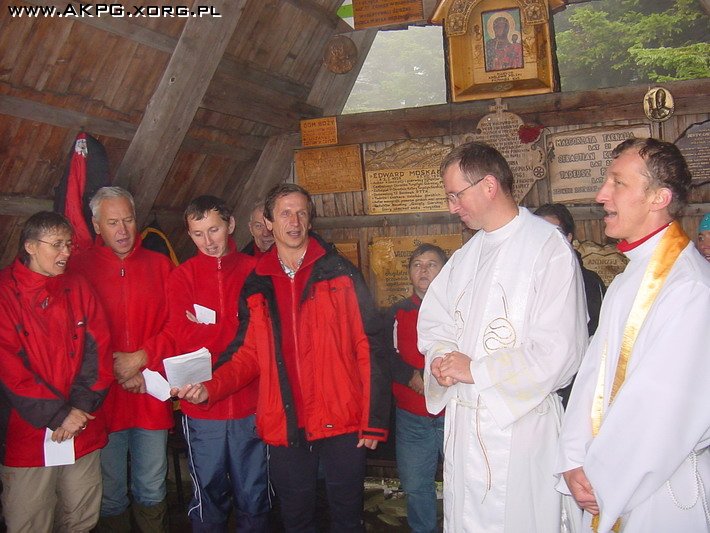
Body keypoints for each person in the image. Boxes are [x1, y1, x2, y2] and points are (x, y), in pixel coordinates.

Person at [173, 183, 390, 532]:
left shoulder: (339, 271)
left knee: (347, 517)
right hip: (285, 422)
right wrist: (209, 387)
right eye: (285, 213)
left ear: (310, 219)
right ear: (269, 222)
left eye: (301, 212)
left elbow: (369, 346)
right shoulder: (258, 281)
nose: (295, 221)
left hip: (343, 416)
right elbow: (247, 354)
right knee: (296, 518)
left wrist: (374, 418)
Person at [417, 141, 588, 532]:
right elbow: (436, 321)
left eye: (456, 195)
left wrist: (477, 370)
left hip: (520, 429)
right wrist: (441, 358)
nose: (452, 207)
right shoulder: (466, 256)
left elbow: (560, 351)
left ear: (489, 186)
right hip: (465, 427)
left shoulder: (547, 249)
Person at [556, 138, 710, 532]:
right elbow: (593, 376)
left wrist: (602, 476)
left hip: (661, 488)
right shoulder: (631, 275)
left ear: (659, 197)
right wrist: (574, 459)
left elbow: (662, 408)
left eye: (617, 183)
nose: (601, 195)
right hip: (607, 474)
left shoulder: (690, 287)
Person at [151, 195, 268, 532]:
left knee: (254, 494)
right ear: (189, 234)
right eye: (198, 234)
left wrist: (207, 329)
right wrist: (235, 327)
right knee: (207, 495)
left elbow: (260, 336)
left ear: (230, 225)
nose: (208, 241)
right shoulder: (182, 277)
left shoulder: (255, 272)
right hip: (201, 407)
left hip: (250, 402)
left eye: (214, 229)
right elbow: (182, 334)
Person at [0, 211, 113, 532]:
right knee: (29, 520)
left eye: (69, 244)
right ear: (30, 246)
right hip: (27, 432)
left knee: (81, 517)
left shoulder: (78, 286)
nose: (66, 252)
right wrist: (58, 414)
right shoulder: (4, 293)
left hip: (81, 426)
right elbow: (9, 368)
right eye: (57, 245)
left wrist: (78, 409)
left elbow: (99, 352)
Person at [70, 187, 174, 532]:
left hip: (150, 391)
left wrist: (142, 358)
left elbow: (177, 326)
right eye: (112, 222)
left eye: (128, 220)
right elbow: (73, 333)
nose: (123, 230)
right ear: (96, 225)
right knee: (110, 492)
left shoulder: (160, 265)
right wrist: (116, 368)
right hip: (103, 397)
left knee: (152, 487)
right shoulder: (79, 268)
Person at [387, 243, 447, 533]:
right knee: (415, 485)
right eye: (417, 265)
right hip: (412, 416)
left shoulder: (458, 311)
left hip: (453, 414)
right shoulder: (397, 313)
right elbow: (385, 354)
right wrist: (410, 375)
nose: (423, 270)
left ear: (444, 270)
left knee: (464, 481)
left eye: (431, 264)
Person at [535, 203, 607, 406]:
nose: (546, 241)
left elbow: (594, 338)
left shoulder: (589, 282)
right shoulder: (524, 280)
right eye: (540, 233)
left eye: (554, 233)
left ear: (568, 238)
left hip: (575, 390)